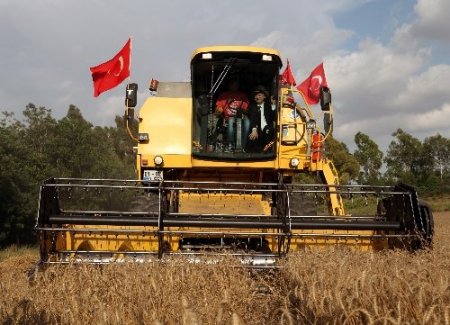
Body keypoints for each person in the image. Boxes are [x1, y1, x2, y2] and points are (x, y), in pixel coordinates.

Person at [215, 78, 250, 152]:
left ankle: (243, 146)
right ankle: (230, 144)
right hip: (228, 118)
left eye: (236, 84)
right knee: (231, 120)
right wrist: (218, 111)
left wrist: (243, 111)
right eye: (232, 84)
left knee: (247, 122)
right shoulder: (223, 96)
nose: (234, 86)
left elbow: (246, 109)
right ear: (229, 85)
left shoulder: (242, 95)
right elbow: (218, 110)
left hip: (240, 116)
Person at [247, 85, 276, 152]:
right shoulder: (252, 106)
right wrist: (254, 129)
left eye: (259, 95)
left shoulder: (268, 106)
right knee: (252, 137)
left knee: (268, 130)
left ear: (264, 96)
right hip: (257, 130)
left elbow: (274, 118)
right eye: (256, 95)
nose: (257, 97)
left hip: (268, 130)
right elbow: (252, 118)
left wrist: (273, 105)